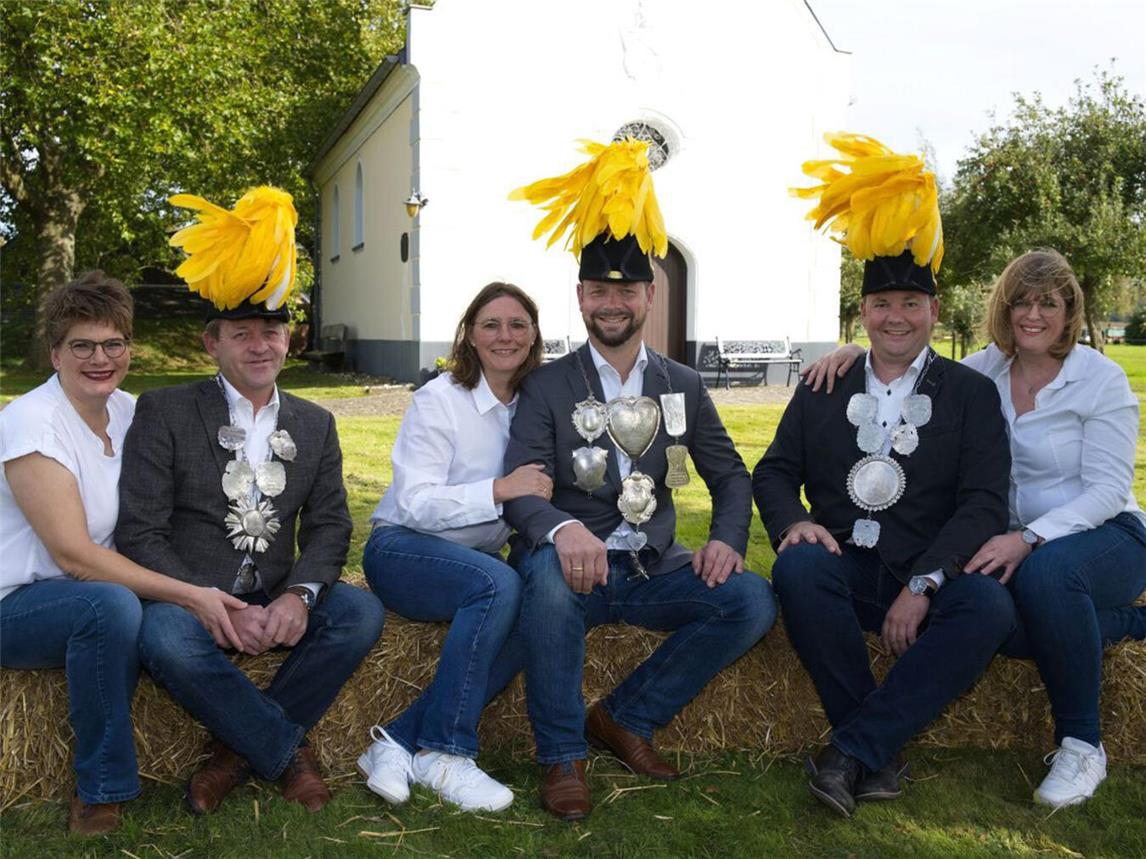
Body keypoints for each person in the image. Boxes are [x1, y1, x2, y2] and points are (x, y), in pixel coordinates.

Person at [805, 248, 1146, 808]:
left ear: (1070, 311)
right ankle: (1125, 623)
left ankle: (1083, 744)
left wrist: (1030, 539)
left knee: (1048, 582)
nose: (1033, 315)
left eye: (1049, 303)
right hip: (1005, 540)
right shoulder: (987, 368)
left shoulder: (1099, 379)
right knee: (998, 622)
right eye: (1021, 302)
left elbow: (1107, 491)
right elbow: (911, 353)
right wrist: (852, 352)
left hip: (1101, 535)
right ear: (1005, 310)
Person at [506, 138, 777, 821]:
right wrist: (563, 529)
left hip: (655, 569)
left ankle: (624, 716)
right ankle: (562, 753)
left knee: (749, 601)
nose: (613, 301)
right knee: (540, 575)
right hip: (575, 572)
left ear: (650, 294)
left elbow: (729, 474)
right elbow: (522, 484)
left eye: (627, 288)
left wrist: (724, 536)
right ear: (580, 296)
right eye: (600, 289)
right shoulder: (546, 386)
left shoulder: (682, 383)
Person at [755, 132, 1016, 819]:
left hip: (924, 571)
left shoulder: (970, 394)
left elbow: (985, 501)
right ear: (862, 312)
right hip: (844, 565)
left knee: (988, 607)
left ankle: (850, 750)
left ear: (933, 310)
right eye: (881, 305)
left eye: (909, 303)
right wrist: (794, 522)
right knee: (799, 569)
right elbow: (774, 471)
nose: (894, 317)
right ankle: (875, 746)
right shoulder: (823, 385)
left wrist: (927, 583)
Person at [115, 187, 385, 815]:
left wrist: (301, 595)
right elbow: (141, 533)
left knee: (359, 616)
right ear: (213, 343)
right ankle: (284, 753)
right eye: (243, 334)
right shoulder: (166, 411)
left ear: (290, 340)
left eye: (273, 330)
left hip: (276, 591)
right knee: (165, 642)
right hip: (191, 595)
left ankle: (233, 753)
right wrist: (207, 600)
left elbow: (330, 526)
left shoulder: (317, 422)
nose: (261, 345)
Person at [0, 272, 251, 835]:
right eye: (82, 346)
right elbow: (75, 557)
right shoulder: (32, 422)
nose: (101, 358)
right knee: (109, 608)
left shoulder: (130, 411)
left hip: (104, 589)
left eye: (114, 344)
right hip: (16, 602)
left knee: (163, 623)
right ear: (55, 353)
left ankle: (256, 745)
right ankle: (101, 787)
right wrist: (191, 592)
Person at [356, 282, 549, 813]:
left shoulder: (538, 405)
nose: (505, 336)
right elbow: (415, 502)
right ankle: (445, 750)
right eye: (491, 324)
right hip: (404, 550)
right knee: (499, 583)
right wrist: (499, 490)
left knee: (541, 609)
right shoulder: (440, 399)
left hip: (475, 564)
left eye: (518, 325)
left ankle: (394, 743)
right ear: (470, 334)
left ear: (534, 336)